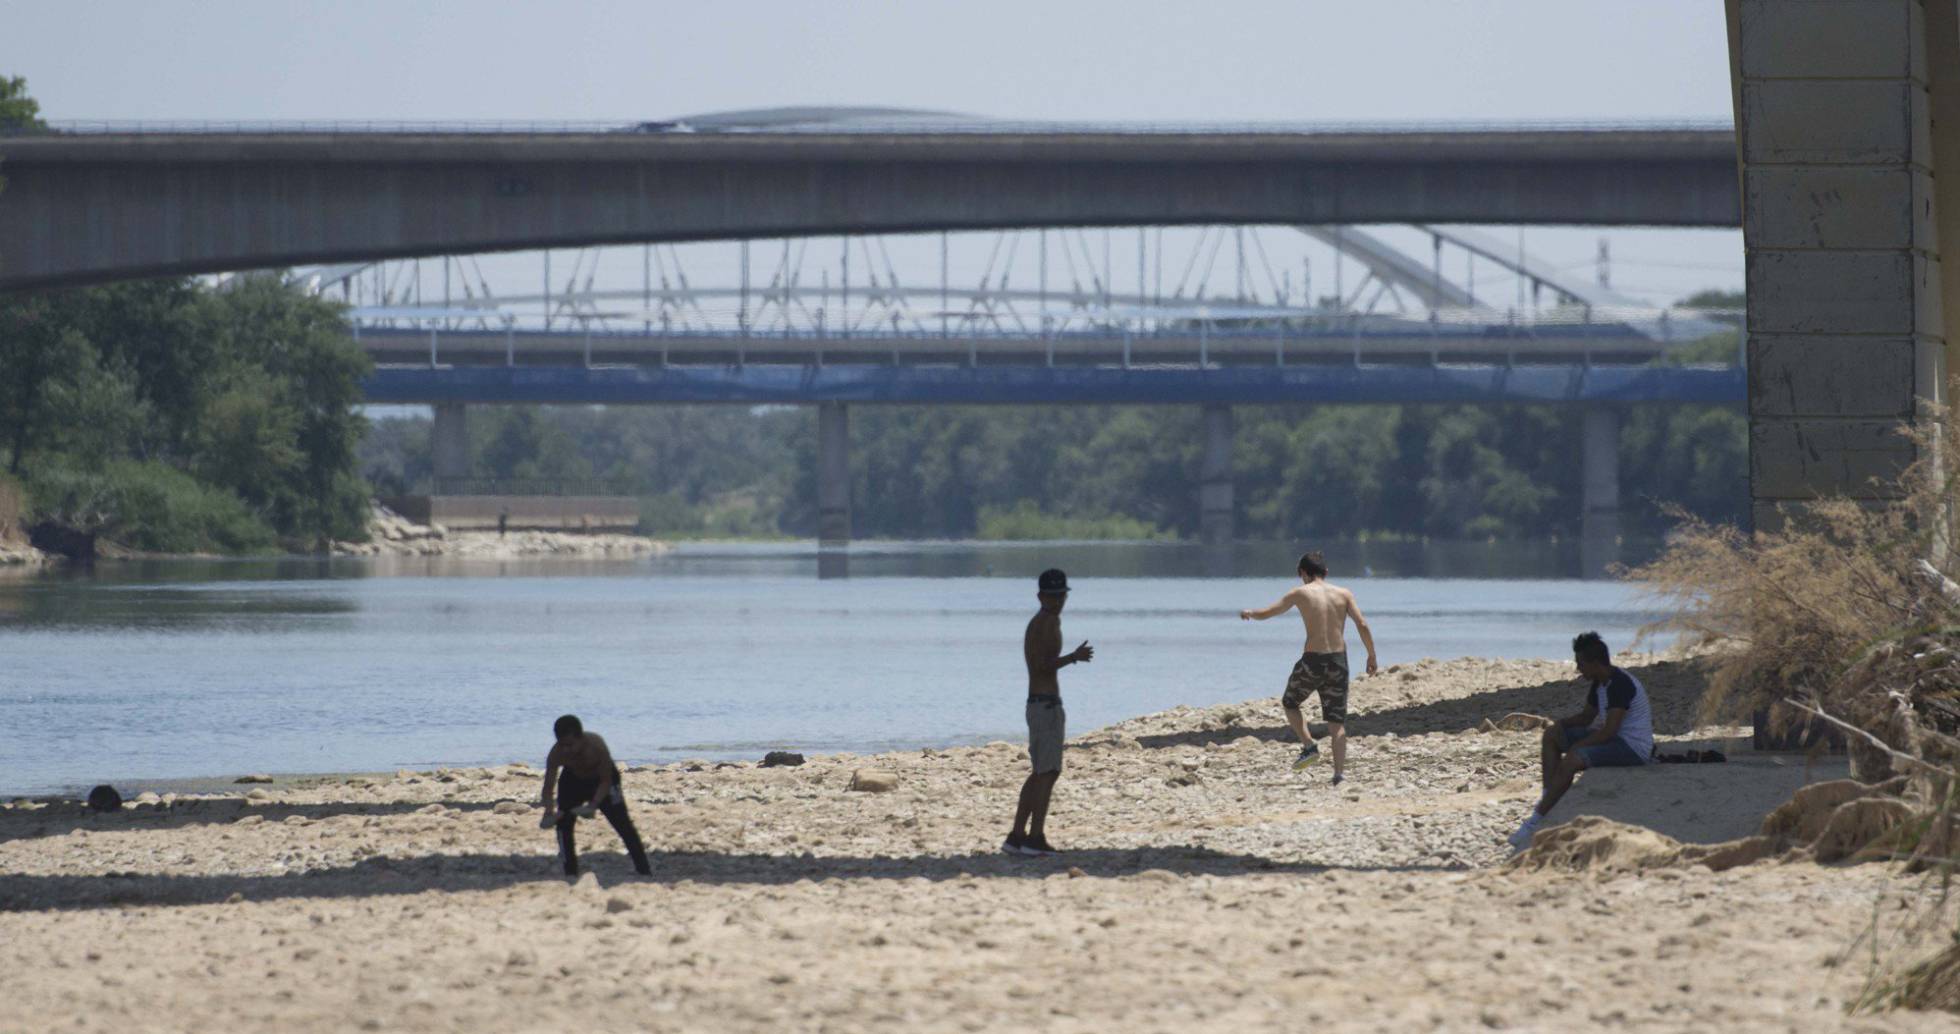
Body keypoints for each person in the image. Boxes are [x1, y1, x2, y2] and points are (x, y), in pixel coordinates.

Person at [1507, 631, 1656, 850]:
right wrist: (1560, 725)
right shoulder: (1600, 682)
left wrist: (1578, 746)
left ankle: (1535, 821)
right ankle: (1549, 797)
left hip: (1631, 748)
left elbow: (1609, 731)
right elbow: (1587, 717)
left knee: (1573, 758)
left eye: (1581, 664)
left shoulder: (1620, 684)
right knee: (1551, 736)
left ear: (1595, 663)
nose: (1578, 669)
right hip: (1613, 738)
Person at [1240, 550, 1377, 785]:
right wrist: (1371, 655)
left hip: (1313, 660)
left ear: (1303, 573)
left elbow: (1269, 612)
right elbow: (1362, 624)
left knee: (1290, 702)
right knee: (1336, 722)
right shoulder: (1344, 594)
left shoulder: (1300, 593)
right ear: (1326, 572)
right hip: (1338, 661)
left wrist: (1250, 613)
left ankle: (1309, 745)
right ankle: (1338, 775)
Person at [1004, 568, 1093, 858]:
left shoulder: (1043, 621)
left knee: (1040, 772)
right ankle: (1035, 838)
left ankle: (1017, 836)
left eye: (1061, 596)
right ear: (1040, 596)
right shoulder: (1046, 622)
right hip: (1044, 705)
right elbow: (1041, 665)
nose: (1058, 601)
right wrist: (1073, 658)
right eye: (1053, 596)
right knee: (1048, 772)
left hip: (1041, 703)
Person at [540, 714, 652, 877]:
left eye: (570, 745)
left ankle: (644, 870)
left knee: (622, 823)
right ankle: (570, 872)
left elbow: (606, 781)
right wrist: (549, 811)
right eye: (562, 745)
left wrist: (593, 805)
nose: (566, 750)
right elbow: (548, 787)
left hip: (602, 779)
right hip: (573, 779)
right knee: (563, 824)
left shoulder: (596, 747)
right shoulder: (556, 753)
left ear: (580, 738)